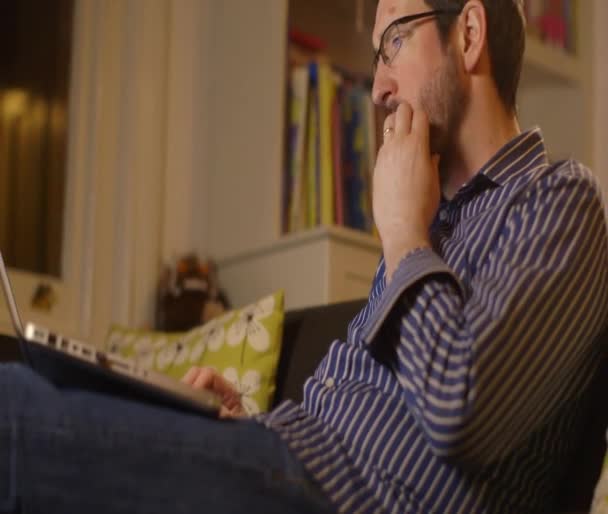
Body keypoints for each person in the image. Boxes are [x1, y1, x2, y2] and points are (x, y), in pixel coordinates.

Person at [1, 0, 606, 513]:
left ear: (469, 34)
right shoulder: (431, 217)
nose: (378, 88)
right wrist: (249, 421)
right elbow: (349, 411)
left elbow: (464, 413)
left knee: (16, 410)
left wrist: (401, 231)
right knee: (32, 382)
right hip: (291, 463)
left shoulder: (562, 200)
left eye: (393, 41)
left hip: (338, 494)